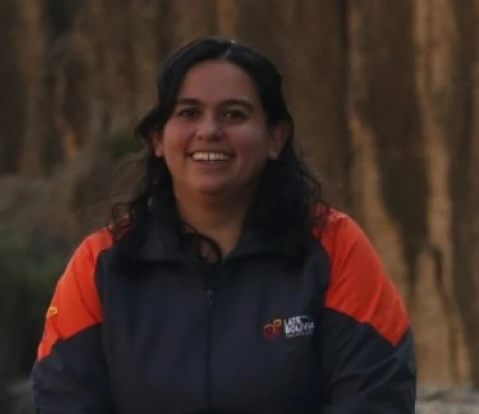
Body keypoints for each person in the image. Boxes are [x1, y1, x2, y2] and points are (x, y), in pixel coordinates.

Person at [30, 36, 416, 413]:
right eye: (188, 113)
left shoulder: (335, 248)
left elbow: (377, 395)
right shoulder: (100, 264)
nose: (209, 130)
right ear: (158, 138)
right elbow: (63, 397)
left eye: (234, 114)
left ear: (275, 138)